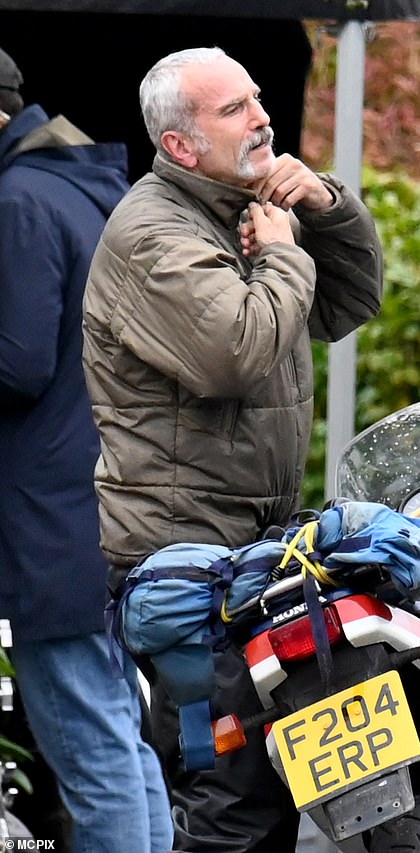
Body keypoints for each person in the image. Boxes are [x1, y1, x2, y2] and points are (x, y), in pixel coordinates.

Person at [82, 46, 383, 853]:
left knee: (277, 784)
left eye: (258, 99)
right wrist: (283, 254)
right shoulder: (152, 233)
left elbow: (353, 297)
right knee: (232, 796)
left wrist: (322, 203)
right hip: (183, 565)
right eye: (235, 109)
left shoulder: (244, 206)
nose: (263, 118)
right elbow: (235, 350)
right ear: (181, 145)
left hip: (254, 552)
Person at [0, 46, 173, 852]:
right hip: (98, 503)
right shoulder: (82, 190)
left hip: (46, 521)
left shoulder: (19, 202)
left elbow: (17, 361)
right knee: (121, 741)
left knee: (91, 750)